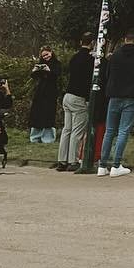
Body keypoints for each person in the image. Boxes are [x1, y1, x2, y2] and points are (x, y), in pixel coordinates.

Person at [97, 29, 134, 177]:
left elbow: (108, 74)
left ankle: (102, 165)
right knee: (123, 130)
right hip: (132, 95)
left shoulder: (115, 55)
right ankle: (116, 165)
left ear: (125, 40)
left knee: (109, 131)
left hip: (114, 95)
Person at [56, 33, 93, 170]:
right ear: (92, 43)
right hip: (79, 97)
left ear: (80, 42)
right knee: (77, 131)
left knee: (67, 129)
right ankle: (73, 160)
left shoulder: (74, 58)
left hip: (68, 95)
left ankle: (62, 160)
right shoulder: (90, 60)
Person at [27, 46, 60, 144]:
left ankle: (48, 138)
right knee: (37, 114)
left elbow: (56, 74)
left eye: (47, 54)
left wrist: (48, 70)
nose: (46, 57)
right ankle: (35, 137)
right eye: (43, 55)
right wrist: (35, 70)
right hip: (40, 92)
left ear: (51, 52)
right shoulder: (40, 63)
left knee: (48, 115)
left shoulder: (57, 64)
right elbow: (34, 76)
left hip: (51, 92)